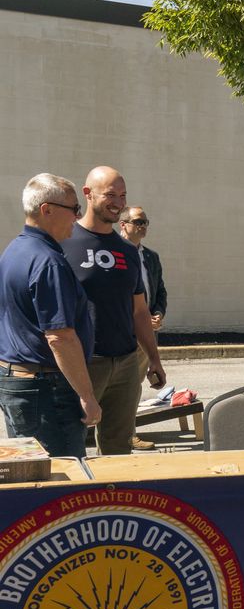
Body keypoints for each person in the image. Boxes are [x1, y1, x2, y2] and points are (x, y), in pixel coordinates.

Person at [60, 167, 165, 454]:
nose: (117, 202)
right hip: (83, 364)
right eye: (110, 195)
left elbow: (139, 311)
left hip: (126, 364)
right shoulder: (63, 243)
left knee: (119, 451)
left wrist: (154, 359)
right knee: (70, 448)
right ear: (87, 194)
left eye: (122, 195)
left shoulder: (128, 251)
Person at [0, 174, 100, 456]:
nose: (78, 217)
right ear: (47, 210)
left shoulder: (14, 251)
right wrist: (87, 396)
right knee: (61, 478)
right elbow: (60, 337)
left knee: (33, 478)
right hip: (46, 389)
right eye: (74, 209)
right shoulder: (48, 262)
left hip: (19, 381)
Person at [117, 205, 167, 450]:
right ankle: (121, 435)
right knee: (120, 387)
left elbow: (160, 291)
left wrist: (157, 313)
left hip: (145, 331)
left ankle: (128, 432)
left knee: (133, 386)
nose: (143, 226)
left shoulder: (151, 257)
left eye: (146, 222)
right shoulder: (113, 253)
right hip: (122, 331)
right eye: (138, 222)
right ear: (122, 224)